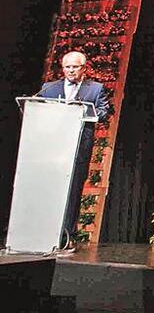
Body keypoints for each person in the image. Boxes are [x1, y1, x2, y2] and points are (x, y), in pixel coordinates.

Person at [35, 50, 111, 250]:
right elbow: (38, 111)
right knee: (49, 188)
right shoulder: (48, 88)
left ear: (83, 68)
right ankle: (44, 231)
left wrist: (84, 111)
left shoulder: (95, 89)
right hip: (52, 147)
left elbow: (103, 112)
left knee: (72, 191)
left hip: (78, 147)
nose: (70, 71)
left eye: (75, 67)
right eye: (67, 67)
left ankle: (67, 235)